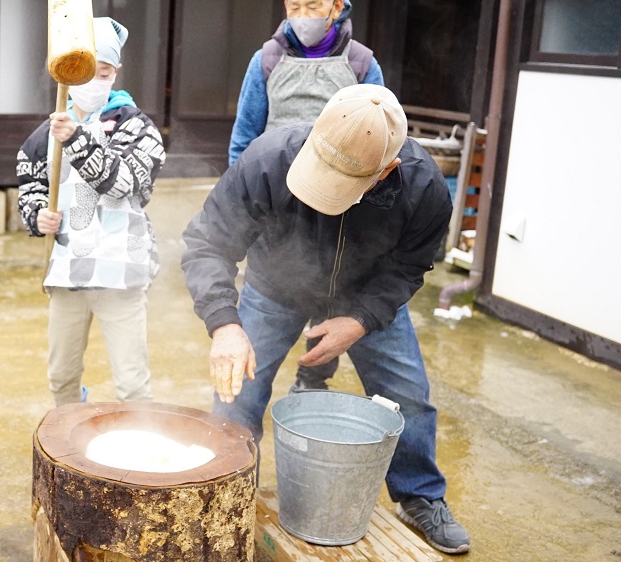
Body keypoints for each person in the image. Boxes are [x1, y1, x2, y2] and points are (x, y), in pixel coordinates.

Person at [181, 84, 471, 555]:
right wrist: (225, 324)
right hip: (274, 287)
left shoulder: (423, 188)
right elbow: (208, 244)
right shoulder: (268, 160)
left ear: (387, 170)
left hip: (366, 292)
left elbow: (408, 267)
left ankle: (419, 494)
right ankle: (223, 489)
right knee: (237, 391)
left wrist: (360, 319)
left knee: (408, 394)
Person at [230, 0, 385, 393]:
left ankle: (312, 380)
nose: (302, 14)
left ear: (336, 7)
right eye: (294, 4)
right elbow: (244, 143)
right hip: (279, 214)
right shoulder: (266, 60)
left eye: (312, 4)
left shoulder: (361, 64)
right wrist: (245, 211)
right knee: (255, 347)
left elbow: (380, 138)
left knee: (332, 299)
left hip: (344, 213)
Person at [17, 18, 166, 407]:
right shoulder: (43, 135)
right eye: (84, 74)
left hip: (122, 269)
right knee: (61, 376)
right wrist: (36, 216)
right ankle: (70, 450)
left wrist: (77, 139)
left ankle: (139, 453)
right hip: (67, 270)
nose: (93, 83)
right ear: (66, 76)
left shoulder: (138, 127)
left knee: (132, 383)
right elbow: (30, 186)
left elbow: (122, 184)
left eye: (102, 73)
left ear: (115, 72)